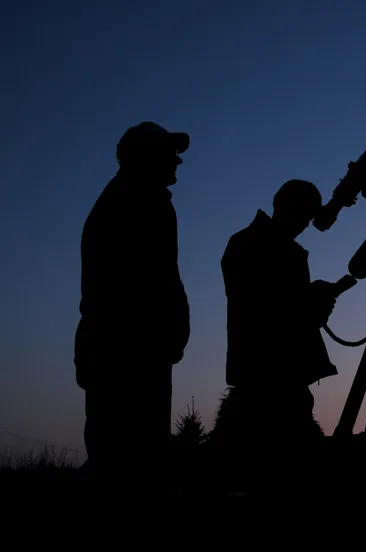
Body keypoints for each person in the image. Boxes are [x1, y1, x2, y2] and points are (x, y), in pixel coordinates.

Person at [74, 122, 191, 493]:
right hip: (126, 356)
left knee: (136, 461)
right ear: (145, 157)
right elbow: (130, 290)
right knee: (125, 466)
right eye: (170, 155)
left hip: (138, 353)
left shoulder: (143, 201)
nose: (177, 162)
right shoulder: (132, 204)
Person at [219, 179, 338, 492]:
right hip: (270, 382)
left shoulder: (262, 245)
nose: (306, 224)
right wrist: (315, 305)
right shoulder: (261, 247)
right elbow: (271, 316)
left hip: (275, 380)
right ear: (288, 207)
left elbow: (283, 309)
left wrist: (310, 303)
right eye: (305, 214)